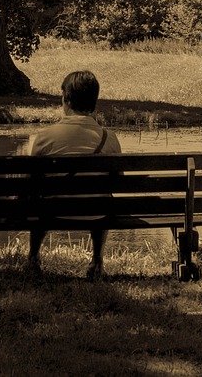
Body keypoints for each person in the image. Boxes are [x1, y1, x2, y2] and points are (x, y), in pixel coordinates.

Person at [26, 69, 121, 279]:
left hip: (53, 210)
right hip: (97, 211)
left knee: (38, 198)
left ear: (65, 100)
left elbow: (32, 181)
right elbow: (116, 180)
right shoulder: (109, 137)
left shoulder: (44, 137)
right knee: (102, 197)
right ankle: (97, 261)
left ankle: (33, 257)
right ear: (94, 101)